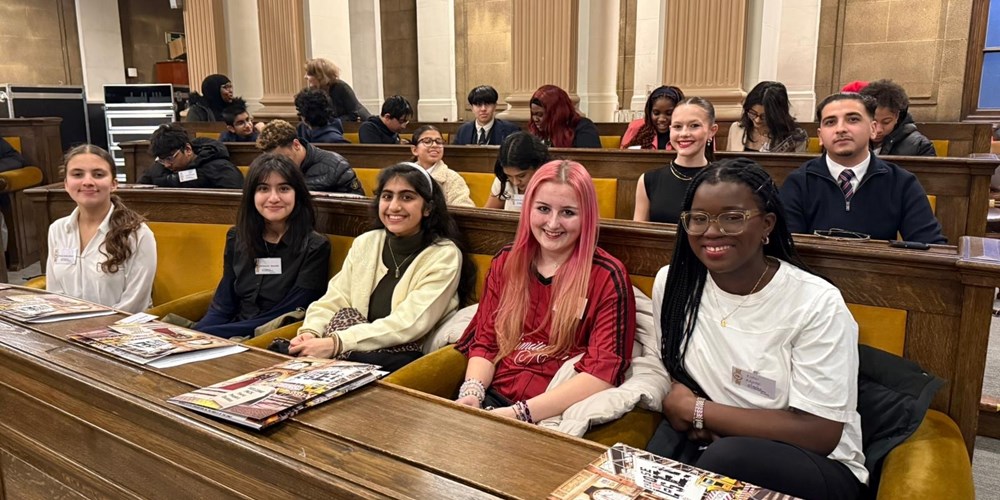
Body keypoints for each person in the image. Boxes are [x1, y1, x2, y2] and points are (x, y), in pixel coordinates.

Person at [650, 158, 866, 499]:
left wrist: (699, 412)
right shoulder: (674, 283)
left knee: (728, 458)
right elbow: (674, 365)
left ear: (767, 225)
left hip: (814, 463)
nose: (711, 231)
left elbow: (820, 432)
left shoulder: (816, 302)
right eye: (699, 218)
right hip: (715, 446)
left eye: (732, 218)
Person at [455, 160, 636, 424]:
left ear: (586, 216)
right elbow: (486, 342)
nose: (552, 223)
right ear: (528, 209)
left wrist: (520, 413)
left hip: (555, 409)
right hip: (494, 396)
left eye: (568, 212)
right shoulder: (506, 261)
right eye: (543, 209)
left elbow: (602, 370)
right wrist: (472, 392)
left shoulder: (607, 275)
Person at [288, 163, 477, 372]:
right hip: (352, 345)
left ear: (428, 208)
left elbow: (409, 324)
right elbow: (336, 297)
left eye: (407, 197)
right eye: (387, 197)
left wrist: (337, 343)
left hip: (404, 357)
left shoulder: (444, 254)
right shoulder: (366, 242)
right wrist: (312, 331)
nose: (394, 206)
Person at [194, 153, 331, 339]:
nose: (273, 198)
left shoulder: (315, 247)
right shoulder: (237, 237)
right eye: (263, 189)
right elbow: (223, 302)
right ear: (252, 195)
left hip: (271, 336)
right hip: (229, 331)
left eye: (284, 188)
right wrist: (192, 336)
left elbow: (288, 313)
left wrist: (211, 334)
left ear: (297, 194)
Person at [779, 93, 945, 243]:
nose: (841, 129)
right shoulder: (799, 182)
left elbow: (930, 245)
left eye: (853, 119)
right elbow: (786, 247)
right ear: (821, 136)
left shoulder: (902, 183)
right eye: (830, 122)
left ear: (873, 129)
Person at [47, 145, 156, 313]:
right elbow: (54, 293)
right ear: (66, 184)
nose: (88, 182)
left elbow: (135, 303)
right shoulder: (57, 230)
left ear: (113, 184)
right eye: (77, 174)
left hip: (120, 330)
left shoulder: (137, 233)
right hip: (65, 327)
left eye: (98, 175)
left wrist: (91, 331)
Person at [633, 97, 718, 223]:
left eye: (694, 126)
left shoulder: (725, 181)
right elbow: (639, 236)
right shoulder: (648, 180)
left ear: (712, 131)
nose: (684, 133)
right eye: (677, 126)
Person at [257, 120, 363, 195]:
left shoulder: (336, 166)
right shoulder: (268, 169)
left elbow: (357, 206)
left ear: (296, 145)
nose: (278, 166)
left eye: (284, 159)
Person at [141, 123, 243, 189]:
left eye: (170, 158)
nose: (167, 165)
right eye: (162, 160)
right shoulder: (160, 168)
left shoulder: (220, 167)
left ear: (188, 150)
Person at [860, 79, 936, 156]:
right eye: (872, 121)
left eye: (886, 122)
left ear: (897, 116)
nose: (878, 130)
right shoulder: (852, 139)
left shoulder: (920, 146)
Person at [727, 81, 807, 153]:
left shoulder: (795, 139)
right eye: (752, 113)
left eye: (764, 116)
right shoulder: (736, 129)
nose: (757, 120)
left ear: (777, 115)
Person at [409, 125, 475, 207]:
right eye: (427, 141)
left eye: (438, 141)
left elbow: (465, 210)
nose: (434, 145)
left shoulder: (452, 178)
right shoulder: (404, 174)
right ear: (414, 150)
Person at [485, 132, 549, 211]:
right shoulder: (503, 179)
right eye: (509, 176)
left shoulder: (553, 185)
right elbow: (487, 215)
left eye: (521, 176)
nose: (515, 182)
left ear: (538, 166)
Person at [528, 85, 602, 148]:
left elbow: (590, 161)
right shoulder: (536, 133)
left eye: (540, 114)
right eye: (533, 114)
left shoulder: (584, 128)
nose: (535, 119)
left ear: (556, 113)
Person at [304, 58, 371, 123]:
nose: (305, 77)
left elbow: (354, 114)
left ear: (320, 76)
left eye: (309, 74)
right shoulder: (314, 91)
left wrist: (330, 123)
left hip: (358, 127)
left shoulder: (341, 87)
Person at [620, 85, 685, 150]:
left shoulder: (686, 132)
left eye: (669, 113)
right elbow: (623, 155)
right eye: (656, 113)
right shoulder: (636, 128)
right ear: (649, 112)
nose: (661, 119)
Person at [453, 85, 520, 146]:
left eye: (487, 104)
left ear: (495, 106)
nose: (483, 109)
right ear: (472, 108)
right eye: (478, 105)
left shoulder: (510, 130)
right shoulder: (463, 131)